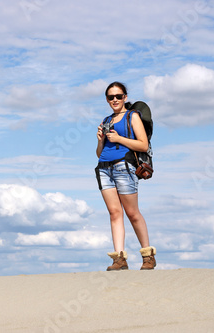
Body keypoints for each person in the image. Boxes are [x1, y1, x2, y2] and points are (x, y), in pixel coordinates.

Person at [95, 81, 156, 271]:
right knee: (114, 213)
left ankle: (148, 256)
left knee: (132, 213)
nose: (115, 100)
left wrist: (119, 139)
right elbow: (99, 152)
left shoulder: (132, 116)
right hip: (104, 168)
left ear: (125, 97)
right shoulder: (106, 120)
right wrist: (101, 140)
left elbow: (143, 145)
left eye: (118, 96)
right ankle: (119, 259)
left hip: (124, 167)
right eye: (111, 97)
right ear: (107, 99)